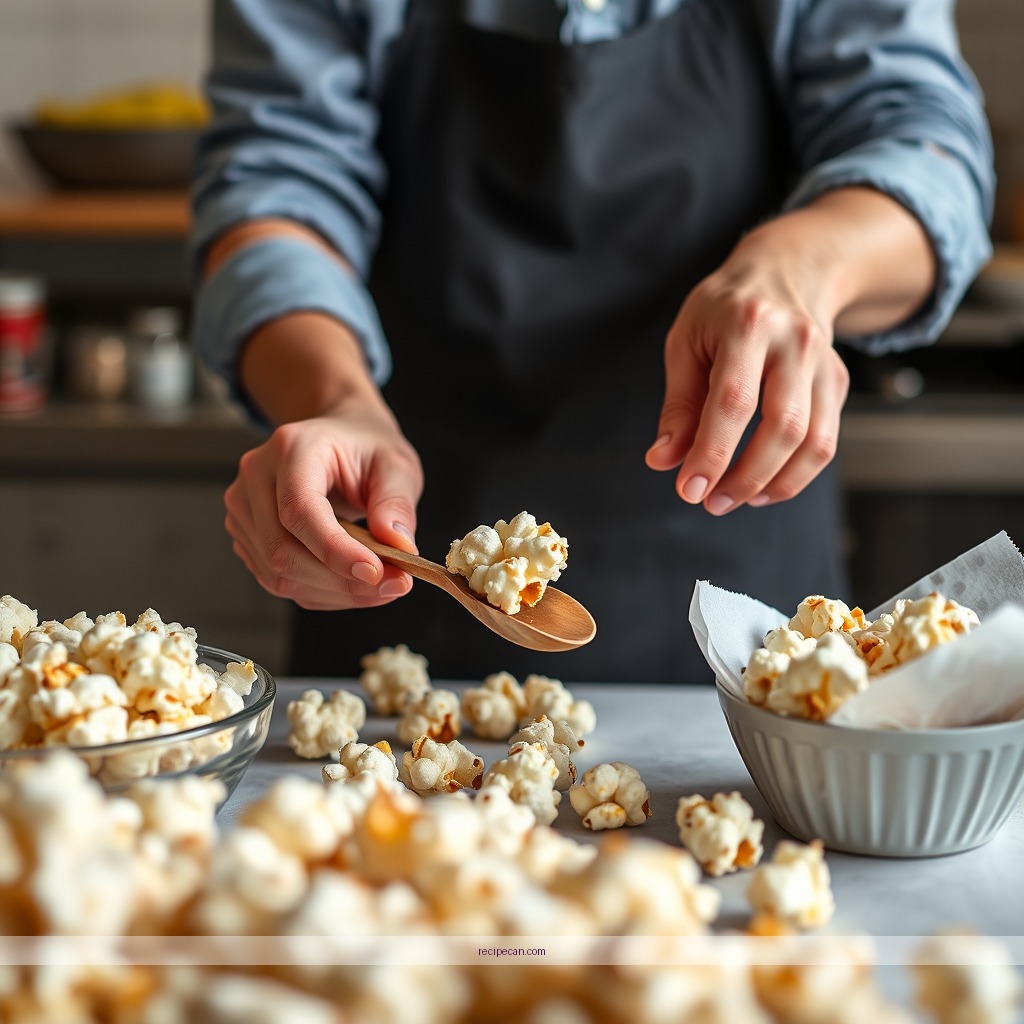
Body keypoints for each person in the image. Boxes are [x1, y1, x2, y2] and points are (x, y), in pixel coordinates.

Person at [191, 0, 993, 684]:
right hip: (403, 586)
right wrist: (333, 400)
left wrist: (796, 270)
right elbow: (277, 182)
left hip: (751, 614)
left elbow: (928, 147)